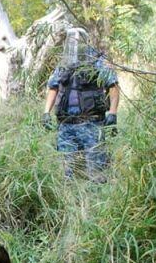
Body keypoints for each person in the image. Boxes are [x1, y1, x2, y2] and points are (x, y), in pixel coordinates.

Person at [42, 28, 120, 180]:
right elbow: (53, 88)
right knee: (66, 171)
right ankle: (70, 199)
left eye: (77, 40)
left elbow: (113, 87)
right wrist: (46, 112)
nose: (74, 44)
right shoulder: (63, 65)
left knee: (96, 169)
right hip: (65, 125)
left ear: (85, 41)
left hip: (92, 124)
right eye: (71, 40)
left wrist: (113, 112)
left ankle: (97, 199)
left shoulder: (97, 62)